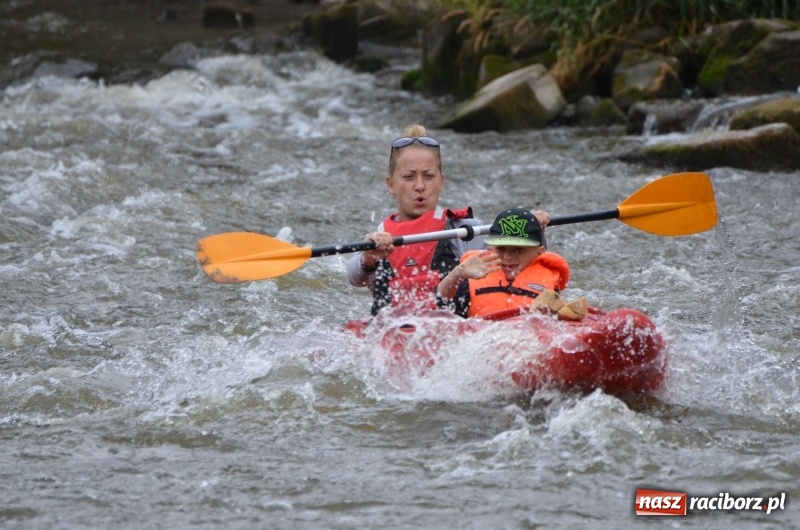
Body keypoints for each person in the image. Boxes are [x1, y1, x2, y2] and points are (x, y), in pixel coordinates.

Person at [347, 124, 550, 316]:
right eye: (409, 177)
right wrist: (368, 257)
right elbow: (355, 278)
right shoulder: (379, 238)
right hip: (391, 329)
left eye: (429, 176)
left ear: (441, 182)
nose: (420, 186)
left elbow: (513, 261)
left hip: (451, 327)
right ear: (391, 184)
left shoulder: (464, 230)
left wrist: (533, 229)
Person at [436, 207, 581, 319]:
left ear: (540, 252)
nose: (507, 257)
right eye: (501, 249)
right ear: (491, 248)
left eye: (519, 250)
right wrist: (458, 273)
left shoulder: (547, 285)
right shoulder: (472, 279)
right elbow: (439, 306)